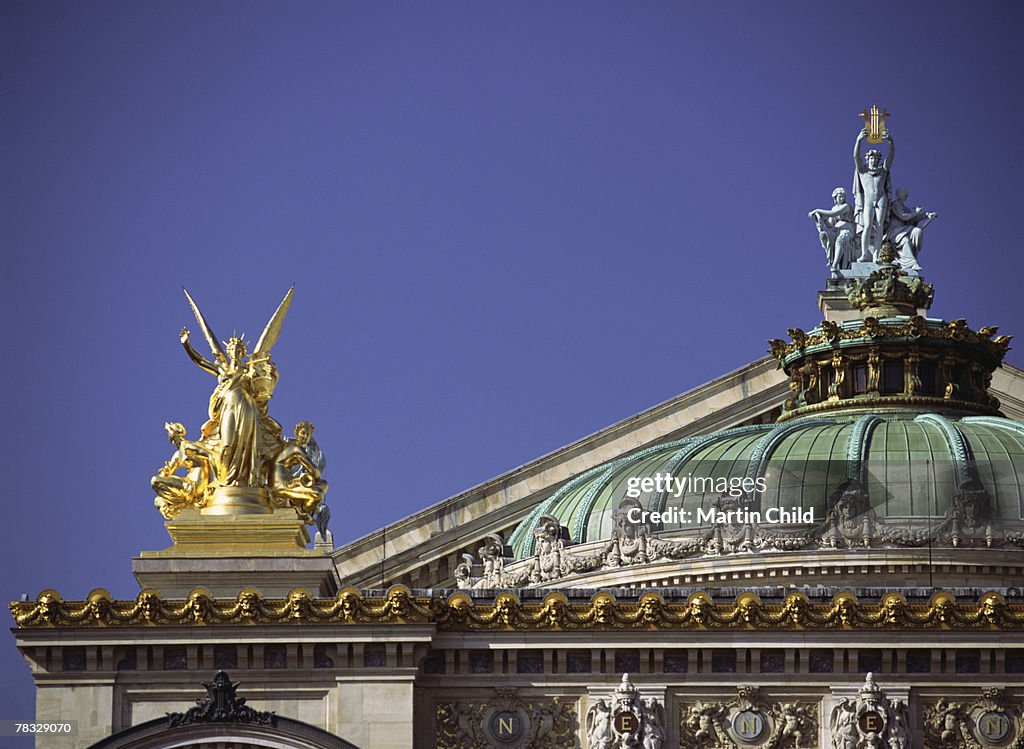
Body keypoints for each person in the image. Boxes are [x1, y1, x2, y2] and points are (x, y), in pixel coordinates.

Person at [181, 329, 261, 487]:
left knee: (245, 444)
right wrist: (187, 345)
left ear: (243, 352)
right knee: (226, 444)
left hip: (245, 406)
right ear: (229, 352)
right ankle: (223, 479)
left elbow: (263, 389)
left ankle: (242, 480)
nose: (236, 351)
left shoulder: (248, 370)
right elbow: (201, 361)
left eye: (239, 349)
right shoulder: (223, 368)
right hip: (228, 407)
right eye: (233, 349)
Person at [853, 127, 894, 262]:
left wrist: (890, 142)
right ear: (868, 159)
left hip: (881, 199)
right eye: (871, 157)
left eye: (876, 158)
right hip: (869, 200)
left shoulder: (883, 170)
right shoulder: (862, 171)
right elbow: (855, 156)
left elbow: (891, 158)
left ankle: (876, 255)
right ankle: (865, 254)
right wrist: (859, 140)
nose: (873, 160)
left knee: (880, 226)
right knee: (868, 226)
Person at [885, 187, 936, 273]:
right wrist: (915, 212)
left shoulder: (907, 209)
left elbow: (912, 219)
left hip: (904, 230)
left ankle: (913, 255)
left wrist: (926, 215)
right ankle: (911, 263)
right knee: (905, 241)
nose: (902, 195)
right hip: (894, 232)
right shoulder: (895, 204)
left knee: (917, 231)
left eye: (904, 194)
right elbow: (903, 216)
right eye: (901, 193)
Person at [809, 187, 857, 274]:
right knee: (825, 236)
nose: (842, 199)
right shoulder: (834, 208)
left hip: (847, 228)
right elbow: (830, 225)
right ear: (835, 198)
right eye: (840, 197)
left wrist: (817, 210)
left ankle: (835, 265)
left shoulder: (846, 206)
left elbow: (833, 214)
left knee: (840, 241)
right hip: (837, 229)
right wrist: (823, 220)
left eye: (843, 197)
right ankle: (834, 263)